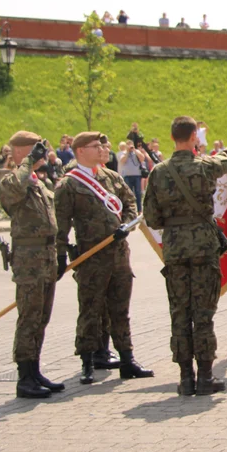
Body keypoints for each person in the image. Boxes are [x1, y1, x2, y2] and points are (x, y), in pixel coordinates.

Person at [142, 117, 227, 395]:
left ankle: (185, 378)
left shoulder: (159, 172)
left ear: (172, 137)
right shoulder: (204, 166)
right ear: (195, 136)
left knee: (180, 313)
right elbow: (226, 161)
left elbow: (152, 218)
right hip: (204, 248)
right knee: (203, 314)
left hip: (174, 249)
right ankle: (205, 377)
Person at [55, 131, 153, 384]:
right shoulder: (69, 184)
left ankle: (127, 359)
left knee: (120, 309)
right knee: (90, 309)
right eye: (96, 146)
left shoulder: (111, 178)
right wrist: (61, 254)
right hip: (91, 255)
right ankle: (88, 361)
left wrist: (127, 225)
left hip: (119, 254)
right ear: (80, 151)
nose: (102, 150)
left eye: (103, 146)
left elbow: (131, 205)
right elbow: (61, 225)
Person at [0, 133, 63, 398]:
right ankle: (24, 377)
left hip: (47, 255)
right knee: (29, 318)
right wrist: (26, 162)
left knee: (42, 318)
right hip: (29, 258)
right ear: (20, 153)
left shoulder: (38, 182)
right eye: (35, 150)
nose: (41, 154)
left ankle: (35, 370)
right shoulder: (12, 181)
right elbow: (15, 187)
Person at [118, 140, 145, 206]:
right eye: (128, 145)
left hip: (137, 175)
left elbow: (142, 158)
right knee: (129, 193)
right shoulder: (123, 153)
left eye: (131, 144)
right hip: (127, 175)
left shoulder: (136, 152)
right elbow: (122, 161)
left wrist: (135, 150)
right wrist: (127, 151)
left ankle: (139, 209)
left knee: (138, 192)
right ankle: (130, 206)